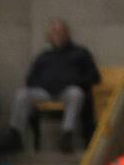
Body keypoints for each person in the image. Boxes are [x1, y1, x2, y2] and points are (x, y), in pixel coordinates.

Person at [6, 19, 100, 154]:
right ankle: (15, 135)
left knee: (76, 93)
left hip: (67, 91)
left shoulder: (80, 53)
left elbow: (94, 76)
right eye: (54, 32)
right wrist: (45, 83)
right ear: (49, 36)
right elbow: (30, 79)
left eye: (60, 32)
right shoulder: (44, 56)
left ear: (67, 34)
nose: (58, 35)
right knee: (22, 94)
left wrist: (74, 81)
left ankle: (66, 134)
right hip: (45, 92)